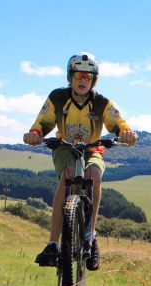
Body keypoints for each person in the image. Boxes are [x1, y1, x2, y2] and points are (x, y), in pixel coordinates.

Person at [23, 52, 138, 271]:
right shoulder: (57, 97)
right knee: (66, 176)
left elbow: (119, 122)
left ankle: (90, 237)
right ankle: (53, 245)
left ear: (94, 79)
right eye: (78, 75)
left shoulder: (102, 102)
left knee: (93, 175)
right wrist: (34, 134)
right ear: (70, 76)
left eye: (88, 75)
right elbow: (42, 122)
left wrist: (126, 133)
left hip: (92, 149)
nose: (82, 79)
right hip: (65, 147)